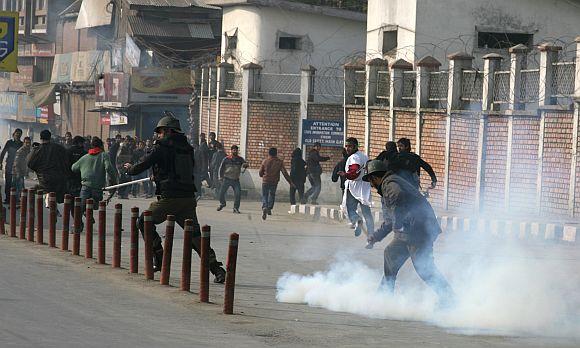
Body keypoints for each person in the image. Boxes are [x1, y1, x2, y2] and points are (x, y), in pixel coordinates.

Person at [124, 114, 226, 283]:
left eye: (161, 132)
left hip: (169, 198)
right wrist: (159, 175)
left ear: (168, 131)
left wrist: (128, 169)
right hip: (187, 198)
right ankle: (217, 269)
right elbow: (179, 170)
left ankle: (159, 256)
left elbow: (141, 166)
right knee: (195, 237)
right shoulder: (187, 148)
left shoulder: (161, 148)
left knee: (144, 221)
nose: (158, 135)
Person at [362, 160, 454, 307]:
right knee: (390, 254)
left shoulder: (389, 183)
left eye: (370, 181)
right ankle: (384, 297)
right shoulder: (387, 187)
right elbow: (389, 221)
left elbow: (397, 196)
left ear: (374, 178)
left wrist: (398, 220)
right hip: (410, 231)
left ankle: (449, 298)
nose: (371, 185)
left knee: (424, 267)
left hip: (418, 230)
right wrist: (376, 236)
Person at [337, 138, 374, 237]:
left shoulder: (354, 157)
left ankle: (357, 220)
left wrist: (345, 174)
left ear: (355, 146)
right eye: (346, 146)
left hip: (354, 187)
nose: (347, 148)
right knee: (367, 213)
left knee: (350, 210)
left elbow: (354, 172)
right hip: (364, 187)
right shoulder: (364, 157)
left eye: (350, 146)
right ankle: (371, 235)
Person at [71, 137, 117, 212]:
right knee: (95, 205)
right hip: (98, 187)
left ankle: (80, 219)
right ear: (101, 146)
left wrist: (83, 169)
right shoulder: (104, 155)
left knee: (80, 208)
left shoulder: (85, 157)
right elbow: (108, 167)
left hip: (85, 186)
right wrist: (114, 180)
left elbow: (73, 168)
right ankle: (89, 211)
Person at [27, 130, 70, 203]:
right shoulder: (60, 148)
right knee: (57, 198)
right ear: (50, 137)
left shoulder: (37, 149)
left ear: (40, 138)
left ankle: (50, 205)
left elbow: (30, 163)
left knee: (48, 195)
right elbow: (66, 162)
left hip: (44, 179)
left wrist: (38, 170)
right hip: (58, 178)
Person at [258, 147, 293, 220]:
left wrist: (263, 175)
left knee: (265, 195)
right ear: (276, 153)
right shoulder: (279, 162)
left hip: (266, 181)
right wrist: (290, 182)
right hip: (274, 181)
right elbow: (284, 173)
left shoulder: (265, 161)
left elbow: (260, 173)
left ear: (269, 153)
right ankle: (269, 208)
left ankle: (265, 206)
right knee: (272, 194)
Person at [217, 145, 248, 214]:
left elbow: (245, 164)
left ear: (237, 151)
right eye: (233, 150)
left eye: (236, 150)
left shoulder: (240, 159)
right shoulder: (226, 159)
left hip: (235, 180)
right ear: (231, 151)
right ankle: (222, 203)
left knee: (238, 194)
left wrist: (245, 165)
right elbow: (221, 168)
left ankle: (236, 208)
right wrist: (220, 177)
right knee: (221, 193)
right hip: (226, 179)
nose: (235, 151)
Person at [0, 128, 23, 203]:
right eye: (17, 133)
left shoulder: (21, 144)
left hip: (18, 167)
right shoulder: (9, 142)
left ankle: (16, 199)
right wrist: (0, 162)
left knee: (17, 183)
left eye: (19, 134)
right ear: (14, 134)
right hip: (9, 165)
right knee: (8, 182)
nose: (18, 135)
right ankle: (7, 198)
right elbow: (3, 152)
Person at [194, 132, 211, 198]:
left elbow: (203, 158)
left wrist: (203, 167)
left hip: (200, 167)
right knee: (203, 177)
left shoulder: (203, 146)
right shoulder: (200, 147)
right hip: (199, 167)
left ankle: (199, 193)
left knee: (199, 180)